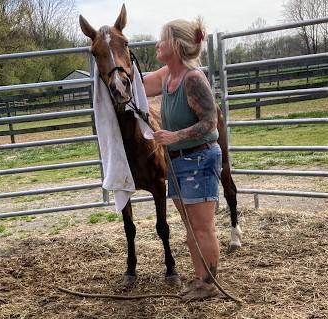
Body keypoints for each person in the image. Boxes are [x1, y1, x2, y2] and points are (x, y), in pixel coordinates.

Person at [144, 17, 221, 301]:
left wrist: (175, 136)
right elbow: (137, 83)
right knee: (190, 227)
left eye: (162, 39)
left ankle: (209, 284)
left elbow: (210, 122)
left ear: (175, 45)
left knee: (202, 227)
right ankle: (201, 280)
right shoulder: (168, 75)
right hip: (178, 162)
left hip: (199, 158)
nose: (157, 44)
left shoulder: (193, 78)